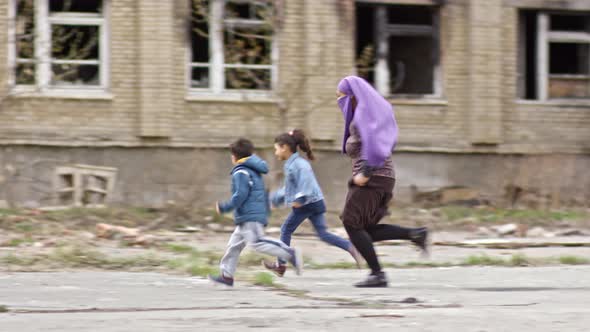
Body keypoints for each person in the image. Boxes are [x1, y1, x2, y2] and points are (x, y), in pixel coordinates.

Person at [336, 76, 429, 288]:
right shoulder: (369, 113)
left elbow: (376, 146)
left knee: (351, 222)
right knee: (364, 230)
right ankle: (415, 234)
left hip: (373, 178)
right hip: (383, 177)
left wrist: (366, 172)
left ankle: (378, 274)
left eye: (341, 97)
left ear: (352, 96)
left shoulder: (363, 115)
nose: (339, 101)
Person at [263, 129, 362, 277]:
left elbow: (306, 183)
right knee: (323, 234)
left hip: (306, 204)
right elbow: (288, 189)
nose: (276, 153)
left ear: (284, 147)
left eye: (276, 149)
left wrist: (300, 199)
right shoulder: (294, 164)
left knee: (285, 230)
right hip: (316, 202)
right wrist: (275, 200)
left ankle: (281, 265)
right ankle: (351, 248)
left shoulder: (298, 165)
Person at [209, 138, 303, 287]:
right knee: (234, 245)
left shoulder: (241, 172)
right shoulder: (252, 169)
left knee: (257, 242)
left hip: (250, 215)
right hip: (248, 215)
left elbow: (240, 195)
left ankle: (289, 253)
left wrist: (224, 207)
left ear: (235, 156)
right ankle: (226, 275)